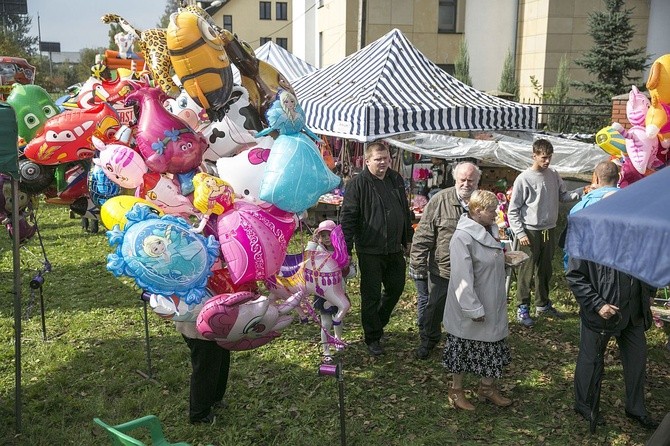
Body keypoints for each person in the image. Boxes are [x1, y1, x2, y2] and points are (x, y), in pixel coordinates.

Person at [566, 256, 659, 430]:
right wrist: (597, 304)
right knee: (591, 359)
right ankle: (584, 404)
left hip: (634, 310)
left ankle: (635, 408)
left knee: (637, 360)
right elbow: (575, 275)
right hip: (601, 311)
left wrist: (650, 292)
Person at [340, 141, 414, 356]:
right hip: (370, 249)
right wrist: (346, 249)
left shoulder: (395, 179)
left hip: (394, 248)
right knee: (370, 294)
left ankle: (377, 322)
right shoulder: (358, 184)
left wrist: (407, 238)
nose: (383, 163)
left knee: (396, 287)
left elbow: (404, 210)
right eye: (378, 159)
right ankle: (372, 337)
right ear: (367, 160)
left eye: (386, 158)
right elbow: (348, 218)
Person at [441, 190, 512, 411]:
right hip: (471, 304)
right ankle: (456, 391)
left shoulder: (490, 229)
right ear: (478, 211)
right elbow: (462, 277)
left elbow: (488, 258)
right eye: (492, 211)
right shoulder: (462, 237)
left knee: (493, 345)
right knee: (462, 347)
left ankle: (487, 387)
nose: (496, 215)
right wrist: (472, 308)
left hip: (492, 299)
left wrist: (506, 259)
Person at [409, 161, 481, 360]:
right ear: (455, 179)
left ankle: (464, 342)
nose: (466, 184)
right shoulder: (440, 200)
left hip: (473, 269)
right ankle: (429, 341)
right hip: (443, 268)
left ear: (477, 181)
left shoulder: (481, 202)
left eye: (471, 181)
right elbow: (423, 235)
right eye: (462, 180)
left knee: (468, 308)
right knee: (434, 307)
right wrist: (418, 264)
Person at [507, 138, 582, 327]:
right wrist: (520, 232)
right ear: (534, 156)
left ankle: (542, 303)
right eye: (543, 157)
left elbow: (564, 196)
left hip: (549, 230)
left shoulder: (554, 174)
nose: (547, 161)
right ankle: (522, 307)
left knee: (545, 269)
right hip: (530, 232)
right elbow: (513, 209)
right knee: (526, 270)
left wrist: (583, 191)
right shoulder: (524, 179)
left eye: (549, 157)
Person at [305, 219, 352, 360]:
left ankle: (338, 339)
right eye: (323, 236)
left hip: (339, 292)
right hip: (323, 294)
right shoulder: (318, 250)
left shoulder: (341, 251)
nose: (326, 239)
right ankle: (326, 350)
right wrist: (312, 242)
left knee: (338, 318)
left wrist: (347, 267)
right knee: (326, 323)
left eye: (329, 235)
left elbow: (352, 273)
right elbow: (307, 257)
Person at [561, 160, 619, 269]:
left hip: (592, 269)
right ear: (619, 177)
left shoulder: (580, 209)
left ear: (596, 179)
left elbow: (572, 248)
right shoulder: (633, 203)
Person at [175, 320, 231, 425]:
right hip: (200, 326)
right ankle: (199, 415)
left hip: (217, 323)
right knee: (205, 368)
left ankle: (215, 398)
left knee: (221, 361)